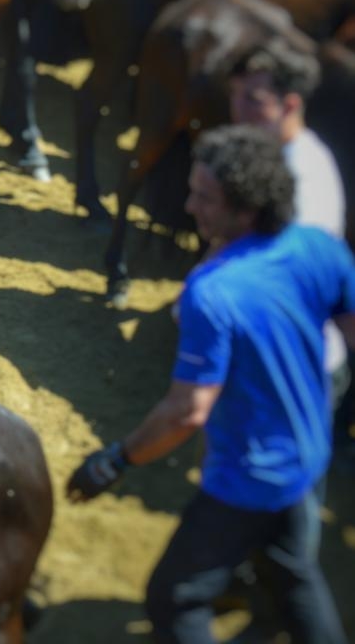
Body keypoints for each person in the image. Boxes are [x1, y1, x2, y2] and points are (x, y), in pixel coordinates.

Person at [66, 124, 353, 644]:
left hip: (247, 478)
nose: (189, 205)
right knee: (293, 578)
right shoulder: (318, 247)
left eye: (204, 197)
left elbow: (188, 411)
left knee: (176, 599)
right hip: (307, 458)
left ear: (247, 209)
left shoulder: (213, 291)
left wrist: (116, 459)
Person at [228, 41, 351, 457]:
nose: (238, 111)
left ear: (290, 104)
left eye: (252, 100)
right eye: (234, 97)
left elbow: (289, 282)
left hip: (296, 366)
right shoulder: (271, 158)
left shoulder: (305, 178)